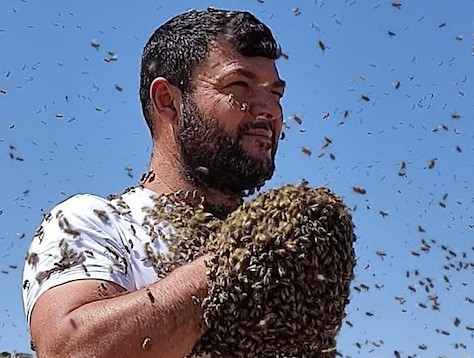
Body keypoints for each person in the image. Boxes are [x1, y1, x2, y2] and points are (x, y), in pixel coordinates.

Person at [21, 8, 286, 358]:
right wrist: (231, 263)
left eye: (276, 93)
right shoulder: (95, 222)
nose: (269, 108)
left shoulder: (281, 249)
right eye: (239, 85)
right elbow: (70, 349)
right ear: (168, 101)